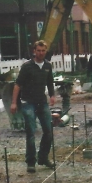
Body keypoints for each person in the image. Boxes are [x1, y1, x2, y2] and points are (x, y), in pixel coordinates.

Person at [10, 40, 56, 173]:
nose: (41, 53)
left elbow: (50, 82)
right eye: (39, 51)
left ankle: (43, 157)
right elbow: (17, 85)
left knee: (48, 131)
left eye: (43, 51)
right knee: (31, 133)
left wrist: (52, 95)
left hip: (42, 102)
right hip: (28, 102)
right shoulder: (27, 67)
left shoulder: (48, 66)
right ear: (34, 51)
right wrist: (14, 102)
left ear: (45, 51)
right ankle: (31, 162)